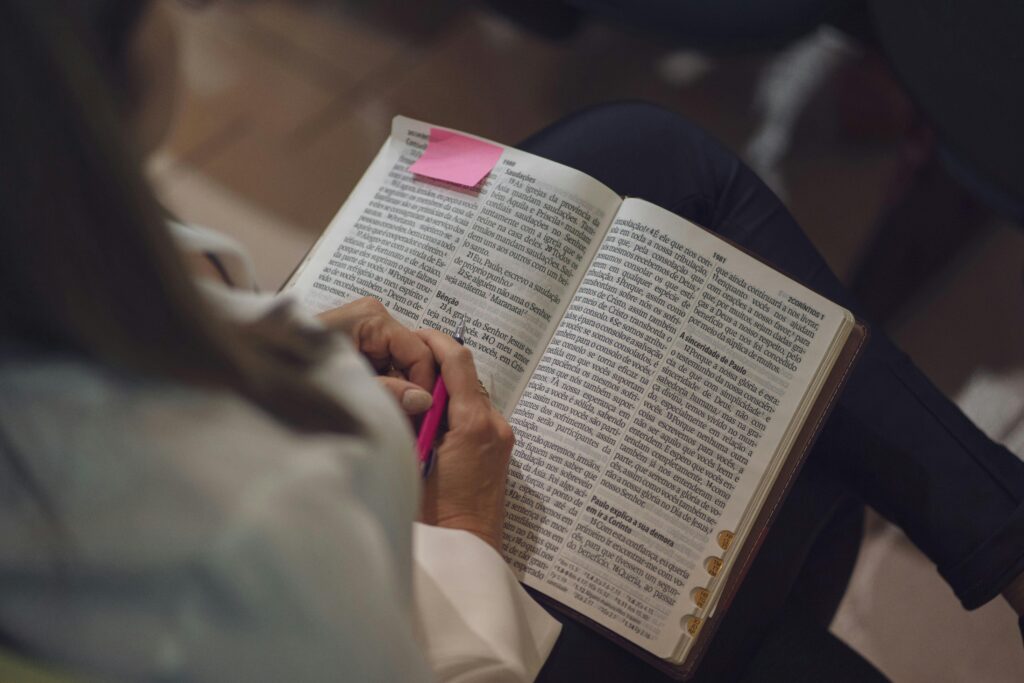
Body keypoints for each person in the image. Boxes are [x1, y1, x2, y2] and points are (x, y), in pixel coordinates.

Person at [0, 2, 1021, 682]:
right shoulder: (243, 532)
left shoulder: (43, 259)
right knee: (759, 613)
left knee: (636, 154)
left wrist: (283, 334)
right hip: (435, 622)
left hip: (313, 511)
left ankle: (1009, 539)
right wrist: (461, 525)